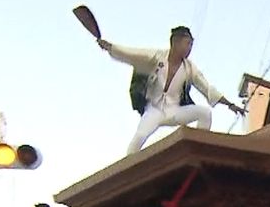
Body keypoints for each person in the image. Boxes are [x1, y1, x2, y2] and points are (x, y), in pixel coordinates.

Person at [98, 25, 245, 155]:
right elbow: (132, 54)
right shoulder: (156, 57)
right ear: (175, 42)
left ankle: (197, 149)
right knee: (139, 137)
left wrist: (230, 104)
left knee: (205, 113)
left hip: (175, 110)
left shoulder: (189, 68)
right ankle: (127, 168)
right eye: (187, 44)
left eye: (191, 45)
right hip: (154, 110)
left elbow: (207, 88)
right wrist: (110, 47)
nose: (189, 48)